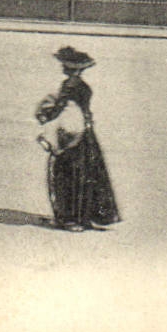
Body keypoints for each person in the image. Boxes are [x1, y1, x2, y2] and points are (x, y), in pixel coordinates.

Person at [34, 46, 121, 232]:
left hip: (72, 132)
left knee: (66, 174)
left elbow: (59, 108)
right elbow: (85, 110)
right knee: (87, 175)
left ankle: (69, 218)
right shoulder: (84, 86)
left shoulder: (69, 85)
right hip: (86, 133)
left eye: (65, 65)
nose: (62, 68)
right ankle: (85, 217)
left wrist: (44, 116)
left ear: (70, 68)